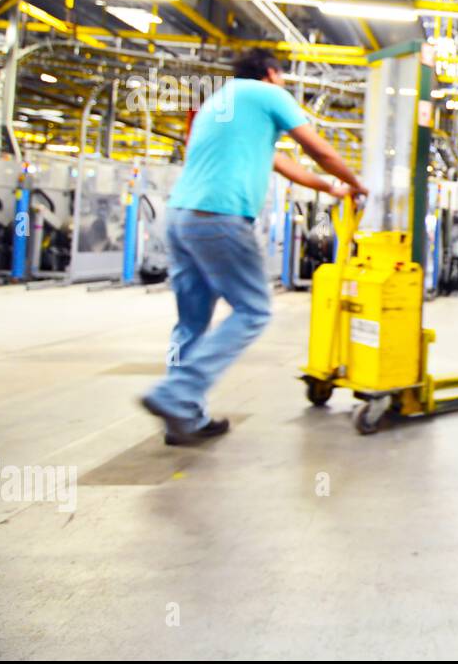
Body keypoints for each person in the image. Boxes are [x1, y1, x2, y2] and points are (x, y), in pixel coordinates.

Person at [141, 48, 367, 445]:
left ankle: (185, 418)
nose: (285, 83)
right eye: (283, 76)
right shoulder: (268, 95)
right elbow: (319, 151)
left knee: (192, 321)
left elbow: (285, 164)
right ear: (271, 72)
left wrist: (334, 187)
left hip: (179, 217)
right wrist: (359, 183)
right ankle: (176, 395)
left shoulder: (220, 101)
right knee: (254, 310)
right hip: (218, 216)